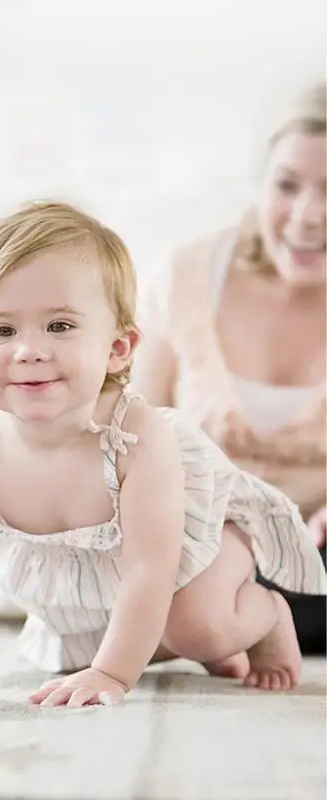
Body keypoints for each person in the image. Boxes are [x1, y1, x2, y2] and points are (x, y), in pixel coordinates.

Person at [0, 200, 327, 708]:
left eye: (59, 326)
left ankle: (262, 617)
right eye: (2, 330)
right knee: (70, 657)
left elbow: (152, 568)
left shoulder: (137, 437)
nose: (29, 349)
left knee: (196, 623)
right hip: (90, 597)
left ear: (117, 348)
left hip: (196, 555)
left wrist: (111, 674)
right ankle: (192, 648)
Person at [131, 82, 326, 654]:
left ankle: (237, 619)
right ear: (262, 183)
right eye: (287, 186)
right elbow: (130, 428)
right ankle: (229, 616)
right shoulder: (186, 274)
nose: (307, 217)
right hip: (202, 534)